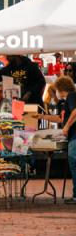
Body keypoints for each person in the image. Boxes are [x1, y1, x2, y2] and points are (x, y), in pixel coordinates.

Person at [52, 76, 76, 204]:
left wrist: (66, 128)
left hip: (74, 136)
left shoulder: (71, 96)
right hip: (73, 136)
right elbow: (61, 118)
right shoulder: (69, 100)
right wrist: (41, 116)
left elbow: (75, 113)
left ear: (61, 89)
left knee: (74, 162)